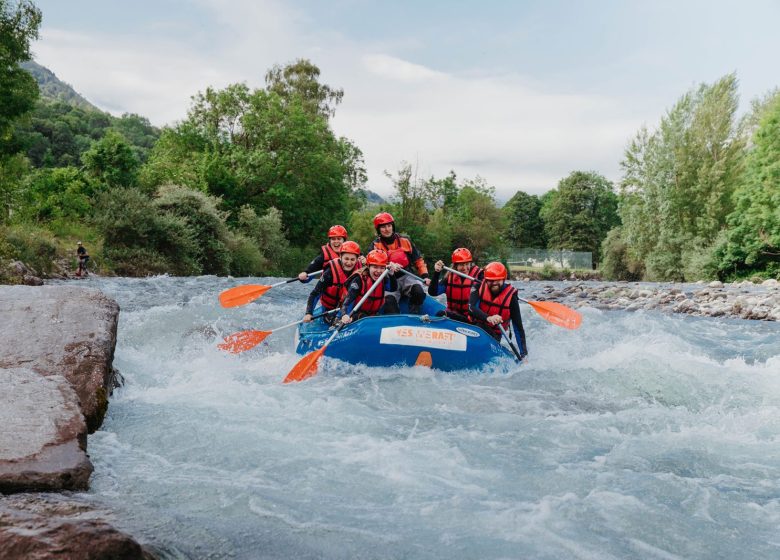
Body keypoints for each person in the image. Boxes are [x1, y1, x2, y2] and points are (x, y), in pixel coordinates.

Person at [371, 212, 428, 314]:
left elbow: (418, 260)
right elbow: (373, 267)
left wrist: (425, 275)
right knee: (389, 303)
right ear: (378, 229)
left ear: (392, 226)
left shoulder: (405, 241)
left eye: (389, 226)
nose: (387, 229)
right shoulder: (375, 245)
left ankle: (414, 312)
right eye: (383, 227)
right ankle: (396, 319)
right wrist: (388, 266)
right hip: (388, 279)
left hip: (407, 276)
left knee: (419, 291)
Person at [468, 262, 527, 357]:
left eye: (497, 280)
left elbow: (518, 328)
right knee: (445, 314)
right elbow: (471, 308)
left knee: (480, 326)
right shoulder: (478, 287)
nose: (494, 283)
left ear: (504, 279)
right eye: (491, 281)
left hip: (494, 336)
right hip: (475, 327)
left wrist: (523, 354)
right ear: (486, 280)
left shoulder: (511, 298)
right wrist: (489, 318)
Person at [303, 241, 361, 325]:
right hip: (331, 309)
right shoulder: (330, 273)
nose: (349, 263)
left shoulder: (361, 270)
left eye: (352, 259)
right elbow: (315, 294)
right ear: (340, 257)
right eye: (346, 259)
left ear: (357, 259)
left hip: (350, 308)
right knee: (335, 323)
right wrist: (308, 313)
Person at [340, 249, 400, 324]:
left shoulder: (383, 278)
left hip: (373, 314)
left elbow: (393, 288)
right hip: (356, 315)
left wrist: (391, 274)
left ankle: (395, 324)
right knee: (363, 317)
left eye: (382, 267)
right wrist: (344, 315)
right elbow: (346, 303)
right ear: (368, 266)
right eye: (375, 267)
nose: (378, 271)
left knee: (390, 299)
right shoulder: (358, 280)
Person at [428, 247, 483, 322]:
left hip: (471, 319)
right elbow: (433, 292)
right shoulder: (449, 278)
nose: (465, 268)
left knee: (441, 314)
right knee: (440, 313)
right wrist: (437, 272)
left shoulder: (479, 275)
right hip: (453, 314)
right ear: (455, 266)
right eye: (461, 265)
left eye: (467, 264)